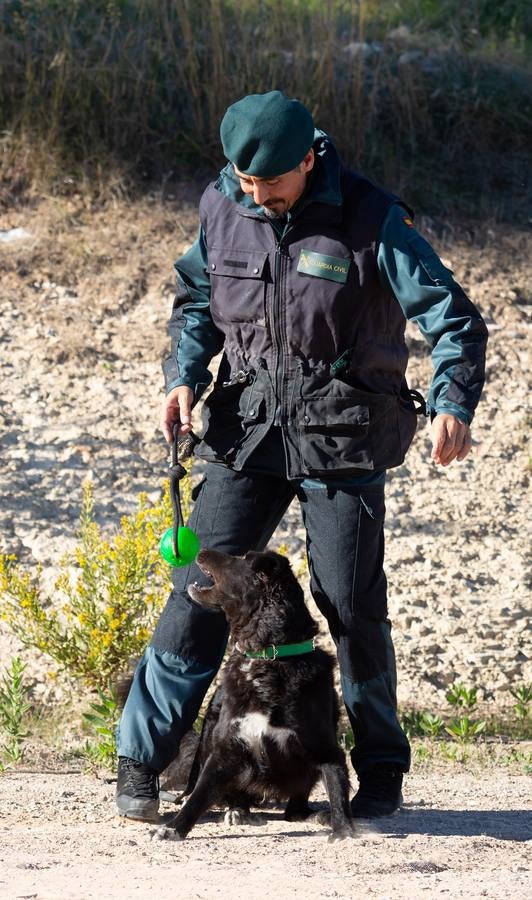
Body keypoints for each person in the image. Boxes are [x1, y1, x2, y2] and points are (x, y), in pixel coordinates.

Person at [115, 91, 488, 822]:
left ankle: (379, 767)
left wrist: (453, 401)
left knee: (350, 605)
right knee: (197, 590)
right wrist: (184, 376)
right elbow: (195, 304)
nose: (258, 194)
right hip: (246, 431)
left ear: (310, 156)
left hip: (343, 433)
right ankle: (142, 760)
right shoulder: (222, 208)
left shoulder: (373, 217)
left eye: (272, 182)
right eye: (245, 180)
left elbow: (454, 319)